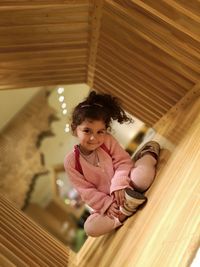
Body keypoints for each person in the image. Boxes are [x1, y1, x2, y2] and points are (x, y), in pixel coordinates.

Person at [64, 90, 160, 237]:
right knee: (90, 228)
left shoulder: (107, 141)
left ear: (105, 130)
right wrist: (107, 204)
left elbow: (123, 162)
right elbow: (86, 191)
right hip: (109, 203)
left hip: (127, 183)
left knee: (142, 179)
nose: (93, 138)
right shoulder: (71, 162)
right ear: (75, 128)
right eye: (87, 131)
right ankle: (125, 209)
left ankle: (147, 155)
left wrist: (119, 185)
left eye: (100, 132)